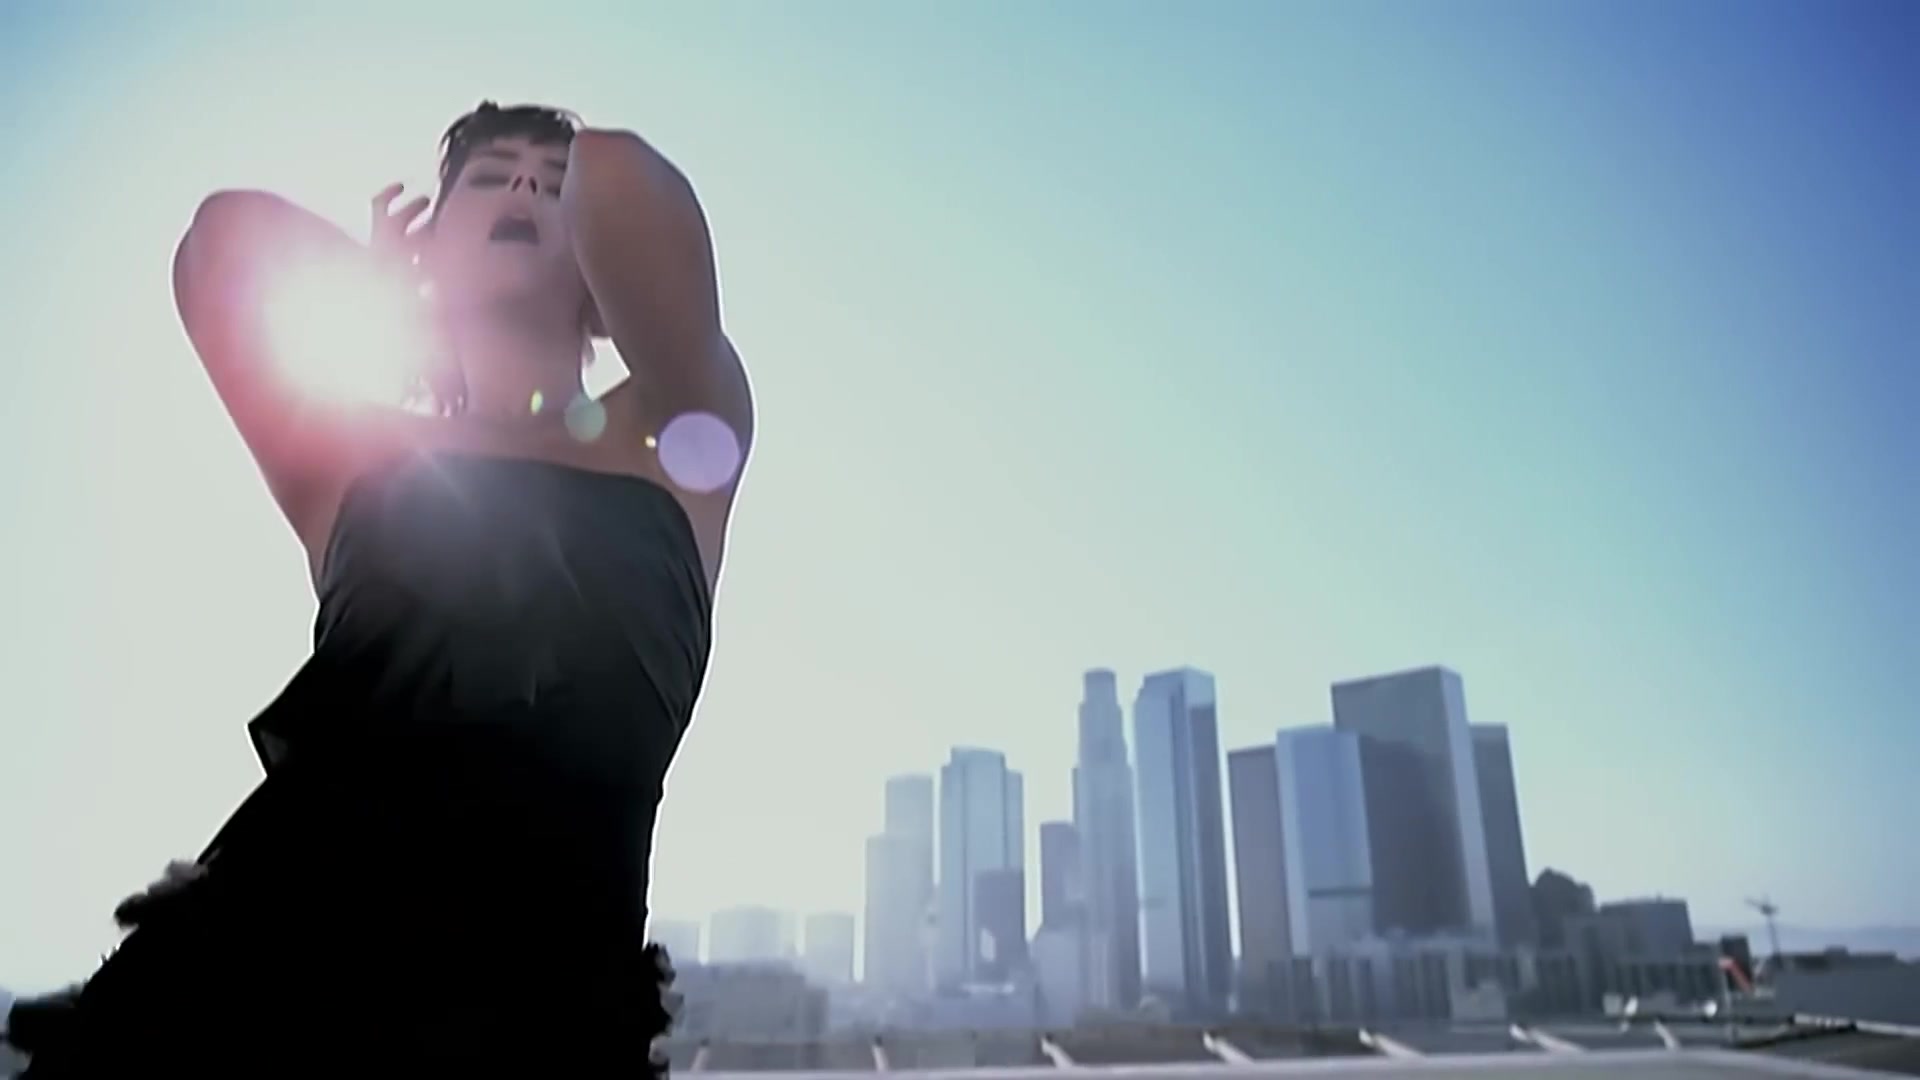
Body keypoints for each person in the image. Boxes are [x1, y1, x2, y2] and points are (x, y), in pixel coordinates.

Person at [15, 102, 753, 1076]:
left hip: (543, 1011)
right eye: (490, 175)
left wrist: (600, 238)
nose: (525, 185)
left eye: (550, 179)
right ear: (429, 248)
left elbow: (620, 174)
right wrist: (392, 294)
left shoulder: (675, 428)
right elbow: (220, 241)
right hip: (251, 981)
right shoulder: (355, 455)